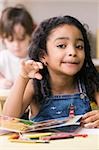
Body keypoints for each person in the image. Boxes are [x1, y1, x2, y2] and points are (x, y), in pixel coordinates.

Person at [3, 15, 99, 128]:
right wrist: (22, 77)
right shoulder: (35, 85)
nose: (73, 52)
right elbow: (7, 120)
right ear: (43, 56)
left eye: (79, 46)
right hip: (43, 145)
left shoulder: (89, 82)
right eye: (62, 45)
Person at [0, 5, 36, 89]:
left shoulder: (34, 57)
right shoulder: (3, 57)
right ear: (2, 37)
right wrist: (1, 80)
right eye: (10, 40)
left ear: (30, 35)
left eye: (21, 39)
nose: (16, 45)